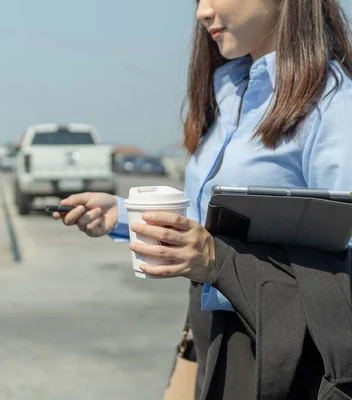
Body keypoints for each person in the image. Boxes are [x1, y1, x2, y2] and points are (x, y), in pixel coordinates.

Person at [54, 0, 352, 398]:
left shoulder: (332, 105)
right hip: (212, 332)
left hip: (288, 356)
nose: (202, 11)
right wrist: (122, 215)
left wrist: (217, 259)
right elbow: (208, 219)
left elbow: (343, 259)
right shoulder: (231, 91)